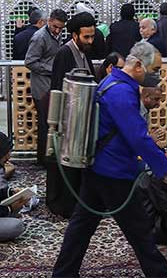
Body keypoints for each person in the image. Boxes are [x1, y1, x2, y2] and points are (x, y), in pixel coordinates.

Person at [52, 41, 167, 278]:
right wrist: (166, 169)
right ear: (139, 66)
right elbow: (137, 136)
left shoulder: (111, 81)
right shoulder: (121, 92)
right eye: (155, 70)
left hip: (97, 166)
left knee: (81, 227)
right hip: (114, 172)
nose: (157, 76)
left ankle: (63, 274)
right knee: (140, 232)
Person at [47, 12, 97, 218]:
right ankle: (62, 205)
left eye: (92, 36)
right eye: (86, 37)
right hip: (66, 120)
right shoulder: (65, 54)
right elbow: (58, 88)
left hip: (81, 119)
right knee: (64, 164)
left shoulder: (84, 52)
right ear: (75, 35)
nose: (90, 41)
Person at [25, 9, 67, 165]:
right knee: (44, 124)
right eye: (55, 26)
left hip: (51, 85)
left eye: (60, 28)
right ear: (49, 21)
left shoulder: (56, 34)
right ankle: (43, 161)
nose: (57, 30)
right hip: (41, 87)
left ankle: (50, 157)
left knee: (52, 123)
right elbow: (29, 62)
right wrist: (52, 69)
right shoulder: (40, 37)